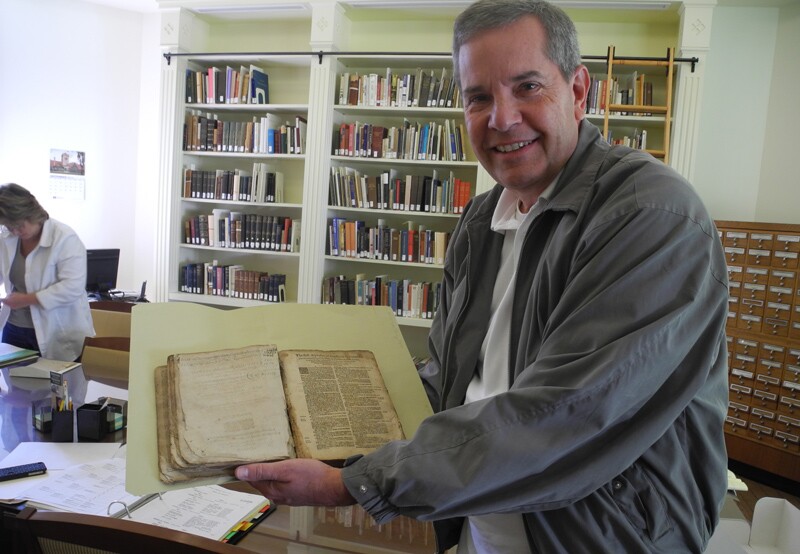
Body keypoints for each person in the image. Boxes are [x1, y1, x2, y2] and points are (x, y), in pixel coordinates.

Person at [235, 1, 730, 551]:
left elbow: (567, 413)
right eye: (478, 97)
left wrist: (357, 482)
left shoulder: (650, 213)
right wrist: (309, 421)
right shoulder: (480, 219)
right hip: (481, 529)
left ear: (579, 90)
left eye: (527, 87)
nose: (501, 117)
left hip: (599, 537)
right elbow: (450, 379)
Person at [0, 183, 94, 361]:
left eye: (18, 225)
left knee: (58, 386)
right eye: (9, 226)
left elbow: (72, 287)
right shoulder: (8, 238)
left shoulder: (65, 238)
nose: (15, 231)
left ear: (31, 212)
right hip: (15, 329)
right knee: (13, 386)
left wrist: (27, 299)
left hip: (57, 331)